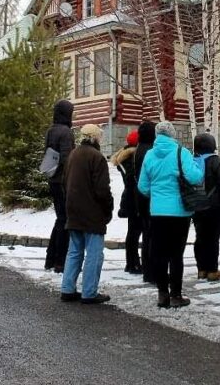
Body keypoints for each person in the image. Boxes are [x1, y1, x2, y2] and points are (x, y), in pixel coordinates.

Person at [138, 121, 204, 308]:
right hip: (180, 212)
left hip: (157, 212)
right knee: (176, 254)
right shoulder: (181, 152)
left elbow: (142, 186)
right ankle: (176, 295)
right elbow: (194, 177)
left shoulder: (150, 155)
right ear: (172, 134)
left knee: (159, 254)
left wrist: (157, 195)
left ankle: (162, 294)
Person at [60, 124, 114, 304]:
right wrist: (108, 209)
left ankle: (67, 288)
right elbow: (102, 190)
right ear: (96, 137)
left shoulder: (73, 155)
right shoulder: (96, 157)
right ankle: (89, 292)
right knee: (94, 253)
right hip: (92, 211)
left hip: (73, 209)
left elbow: (64, 182)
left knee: (74, 251)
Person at [192, 133, 220, 281]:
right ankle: (212, 270)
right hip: (214, 206)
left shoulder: (192, 161)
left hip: (197, 205)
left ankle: (201, 269)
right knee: (212, 238)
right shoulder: (216, 161)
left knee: (200, 237)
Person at [44, 100, 75, 273]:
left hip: (52, 179)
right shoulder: (66, 132)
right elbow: (67, 159)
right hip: (63, 181)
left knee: (59, 218)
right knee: (65, 220)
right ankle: (60, 261)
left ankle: (50, 258)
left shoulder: (51, 130)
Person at [111, 130, 142, 274]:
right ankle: (132, 263)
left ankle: (132, 262)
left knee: (133, 231)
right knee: (134, 232)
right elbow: (131, 180)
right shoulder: (130, 158)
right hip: (133, 198)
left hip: (130, 198)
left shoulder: (124, 157)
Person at [134, 120, 156, 283]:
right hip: (149, 197)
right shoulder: (149, 151)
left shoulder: (139, 149)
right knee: (151, 235)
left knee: (146, 233)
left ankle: (147, 269)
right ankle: (150, 271)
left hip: (141, 197)